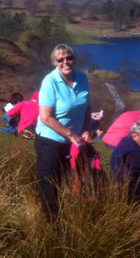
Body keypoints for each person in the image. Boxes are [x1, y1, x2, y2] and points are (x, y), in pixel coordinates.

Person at [35, 43, 93, 221]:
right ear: (55, 62)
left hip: (72, 142)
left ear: (74, 59)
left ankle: (68, 212)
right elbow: (46, 117)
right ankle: (52, 223)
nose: (66, 62)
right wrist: (72, 135)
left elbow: (86, 106)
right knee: (50, 182)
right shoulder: (50, 82)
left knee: (67, 178)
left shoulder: (83, 78)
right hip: (50, 141)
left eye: (69, 58)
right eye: (60, 59)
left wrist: (87, 129)